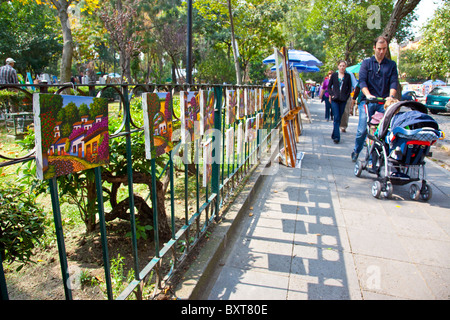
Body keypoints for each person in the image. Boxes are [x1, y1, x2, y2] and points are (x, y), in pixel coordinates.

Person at [351, 36, 398, 162]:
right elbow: (362, 81)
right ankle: (356, 150)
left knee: (379, 133)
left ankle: (372, 159)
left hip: (383, 103)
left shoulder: (391, 65)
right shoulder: (366, 63)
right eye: (379, 49)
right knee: (362, 130)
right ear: (374, 48)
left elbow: (394, 82)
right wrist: (367, 94)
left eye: (384, 49)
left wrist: (391, 97)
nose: (381, 52)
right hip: (368, 102)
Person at [328, 60, 352, 143]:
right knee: (336, 117)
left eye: (343, 66)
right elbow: (329, 87)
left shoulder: (348, 76)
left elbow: (349, 88)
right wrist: (332, 95)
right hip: (335, 100)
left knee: (339, 118)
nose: (342, 67)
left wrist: (346, 96)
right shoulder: (334, 75)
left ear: (345, 67)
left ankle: (334, 133)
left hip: (343, 100)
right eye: (341, 65)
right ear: (338, 66)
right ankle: (337, 138)